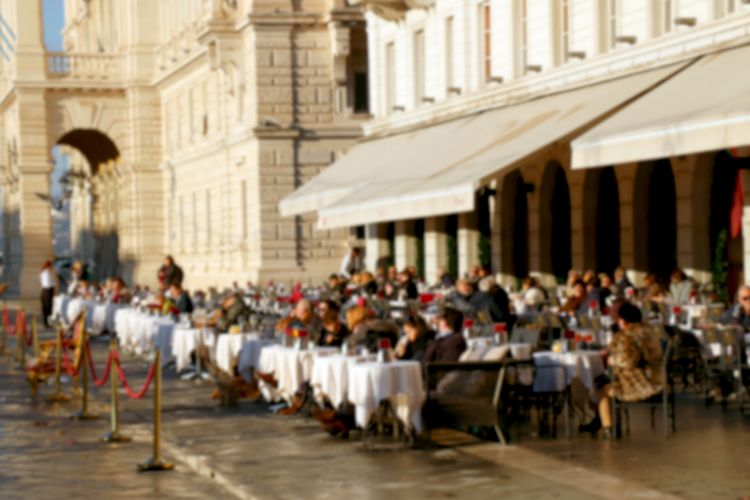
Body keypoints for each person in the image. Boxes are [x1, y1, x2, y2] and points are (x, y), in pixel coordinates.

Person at [580, 303, 663, 438]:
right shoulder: (649, 331)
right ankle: (601, 420)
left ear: (623, 320)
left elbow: (627, 361)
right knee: (601, 382)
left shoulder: (627, 335)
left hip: (638, 383)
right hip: (655, 378)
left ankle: (608, 426)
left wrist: (612, 360)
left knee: (601, 389)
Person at [39, 261, 56, 327]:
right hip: (47, 291)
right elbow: (48, 284)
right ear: (48, 266)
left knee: (46, 308)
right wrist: (53, 283)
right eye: (51, 266)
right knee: (48, 307)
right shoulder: (46, 273)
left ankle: (46, 322)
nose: (51, 268)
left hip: (45, 291)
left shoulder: (43, 273)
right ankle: (47, 323)